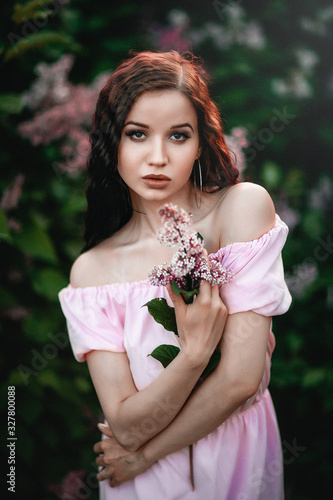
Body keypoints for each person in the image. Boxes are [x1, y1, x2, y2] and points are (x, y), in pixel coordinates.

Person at [58, 50, 291, 500]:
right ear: (114, 142)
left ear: (201, 142)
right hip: (143, 488)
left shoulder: (239, 210)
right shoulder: (91, 273)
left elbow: (241, 381)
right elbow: (124, 423)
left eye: (178, 136)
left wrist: (145, 454)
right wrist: (194, 353)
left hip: (231, 459)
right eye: (138, 134)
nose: (158, 157)